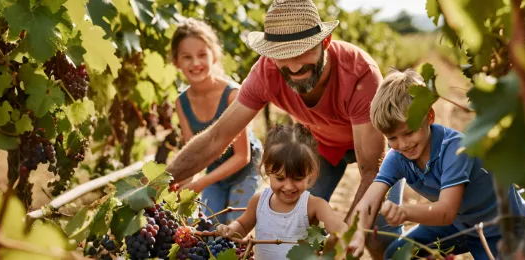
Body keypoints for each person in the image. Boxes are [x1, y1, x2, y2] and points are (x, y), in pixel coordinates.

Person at [165, 0, 403, 257]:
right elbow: (216, 138)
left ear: (325, 42)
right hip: (322, 147)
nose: (293, 65)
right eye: (282, 55)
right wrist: (157, 183)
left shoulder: (359, 74)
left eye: (302, 51)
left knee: (377, 238)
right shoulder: (266, 73)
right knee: (293, 224)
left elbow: (371, 171)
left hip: (372, 150)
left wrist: (341, 242)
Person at [347, 69, 525, 259]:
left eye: (409, 133)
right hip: (459, 225)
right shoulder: (397, 156)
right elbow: (369, 201)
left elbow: (446, 212)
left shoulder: (454, 149)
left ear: (429, 116)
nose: (402, 144)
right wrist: (357, 235)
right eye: (392, 137)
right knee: (397, 255)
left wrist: (404, 212)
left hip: (501, 228)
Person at [170, 18, 263, 224]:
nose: (195, 63)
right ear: (176, 61)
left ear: (214, 56)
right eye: (187, 57)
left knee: (234, 227)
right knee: (208, 228)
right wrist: (175, 188)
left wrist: (200, 184)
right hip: (214, 170)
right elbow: (193, 155)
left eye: (202, 55)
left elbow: (242, 156)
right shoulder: (181, 102)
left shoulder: (232, 95)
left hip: (245, 170)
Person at [215, 124, 348, 259]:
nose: (289, 186)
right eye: (280, 178)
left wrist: (343, 239)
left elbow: (338, 228)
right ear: (267, 169)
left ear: (311, 173)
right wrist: (230, 230)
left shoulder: (314, 206)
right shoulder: (259, 201)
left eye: (297, 178)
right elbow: (243, 226)